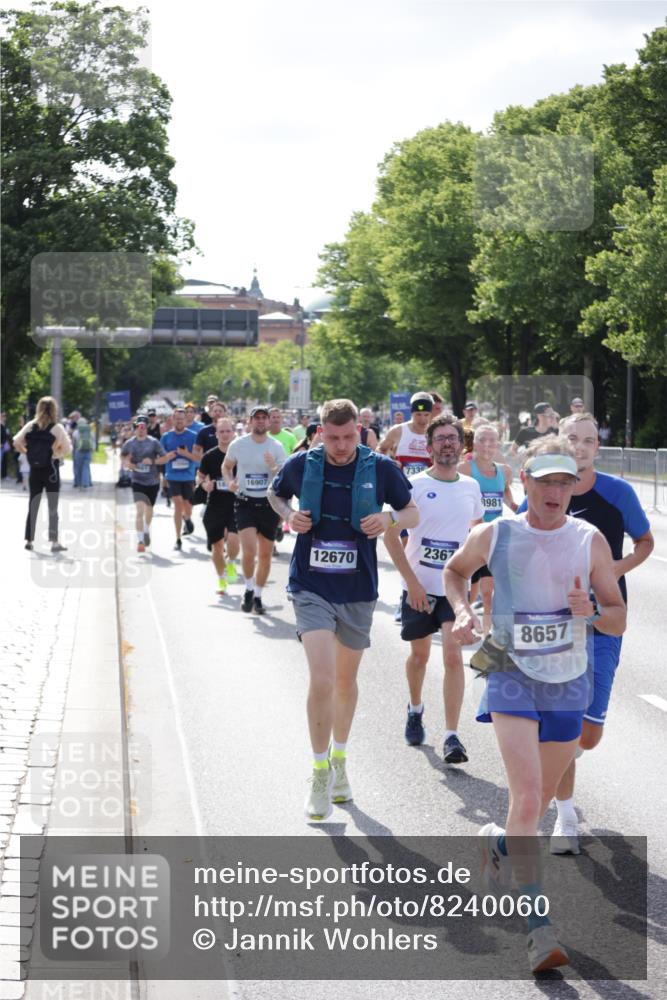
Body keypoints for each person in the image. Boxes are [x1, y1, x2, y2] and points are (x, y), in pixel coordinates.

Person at [445, 437, 626, 973]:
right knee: (526, 799)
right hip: (509, 670)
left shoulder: (589, 540)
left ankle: (497, 843)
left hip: (569, 679)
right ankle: (539, 930)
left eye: (565, 483)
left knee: (537, 804)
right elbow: (455, 572)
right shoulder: (497, 533)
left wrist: (592, 611)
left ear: (574, 487)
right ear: (524, 481)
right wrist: (462, 612)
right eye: (546, 481)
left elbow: (617, 617)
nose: (555, 492)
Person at [268, 398, 419, 821]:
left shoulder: (380, 468)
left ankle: (339, 760)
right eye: (332, 437)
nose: (340, 445)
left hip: (357, 587)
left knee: (345, 682)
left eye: (348, 437)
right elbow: (275, 494)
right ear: (320, 433)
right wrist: (289, 515)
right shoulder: (303, 464)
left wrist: (389, 520)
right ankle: (319, 773)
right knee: (322, 679)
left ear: (360, 432)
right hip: (310, 584)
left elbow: (412, 511)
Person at [518, 414, 652, 855]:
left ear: (597, 447)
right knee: (564, 724)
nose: (580, 446)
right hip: (553, 625)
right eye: (572, 438)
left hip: (602, 619)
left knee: (587, 736)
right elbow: (514, 543)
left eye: (588, 441)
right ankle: (566, 815)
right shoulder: (543, 488)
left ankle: (564, 757)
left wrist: (611, 569)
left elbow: (645, 542)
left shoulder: (617, 493)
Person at [383, 415, 482, 762]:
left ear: (462, 445)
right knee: (420, 656)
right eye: (440, 439)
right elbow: (390, 535)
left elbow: (476, 535)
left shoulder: (471, 487)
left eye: (452, 438)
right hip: (419, 587)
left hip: (454, 589)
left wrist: (474, 585)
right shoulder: (413, 486)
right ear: (429, 448)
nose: (447, 444)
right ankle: (415, 708)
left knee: (453, 657)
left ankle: (452, 736)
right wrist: (411, 584)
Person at [222, 405, 286, 614]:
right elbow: (226, 466)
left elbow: (283, 476)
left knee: (265, 556)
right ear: (250, 421)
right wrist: (229, 482)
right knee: (249, 551)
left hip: (268, 504)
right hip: (245, 503)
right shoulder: (238, 444)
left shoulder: (276, 446)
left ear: (268, 421)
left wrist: (273, 466)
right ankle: (248, 588)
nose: (260, 421)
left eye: (263, 418)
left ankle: (258, 595)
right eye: (256, 418)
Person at [458, 424, 517, 633]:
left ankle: (487, 630)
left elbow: (505, 493)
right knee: (471, 586)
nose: (487, 445)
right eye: (482, 440)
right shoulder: (464, 469)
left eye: (492, 441)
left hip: (494, 536)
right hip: (470, 536)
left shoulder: (504, 471)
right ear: (474, 443)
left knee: (489, 589)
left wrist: (515, 507)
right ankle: (462, 618)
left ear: (498, 445)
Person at [14, 396, 71, 552]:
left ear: (38, 408)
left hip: (35, 470)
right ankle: (54, 542)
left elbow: (16, 441)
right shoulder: (57, 428)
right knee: (52, 506)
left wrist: (27, 452)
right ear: (54, 410)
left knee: (33, 504)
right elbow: (67, 449)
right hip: (51, 470)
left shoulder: (31, 426)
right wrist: (55, 452)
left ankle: (29, 540)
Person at [197, 417, 240, 593]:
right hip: (215, 505)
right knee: (216, 546)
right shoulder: (209, 456)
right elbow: (199, 476)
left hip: (237, 504)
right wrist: (204, 484)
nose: (225, 434)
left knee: (234, 542)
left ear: (234, 433)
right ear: (216, 434)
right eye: (221, 431)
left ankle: (231, 562)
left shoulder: (240, 455)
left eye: (228, 431)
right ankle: (222, 579)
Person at [121, 415, 168, 552]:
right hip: (137, 480)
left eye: (143, 427)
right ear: (135, 428)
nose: (141, 430)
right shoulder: (129, 443)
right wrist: (128, 464)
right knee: (139, 510)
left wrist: (152, 461)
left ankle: (146, 529)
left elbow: (165, 458)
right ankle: (140, 540)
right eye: (138, 427)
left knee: (149, 509)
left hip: (153, 481)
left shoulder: (154, 442)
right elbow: (123, 457)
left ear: (146, 428)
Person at [161, 407, 198, 550]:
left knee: (187, 506)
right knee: (178, 505)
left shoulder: (193, 436)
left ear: (185, 420)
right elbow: (160, 458)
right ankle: (178, 539)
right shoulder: (166, 437)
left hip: (188, 476)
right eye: (177, 419)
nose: (179, 421)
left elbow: (198, 458)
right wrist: (167, 457)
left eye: (182, 419)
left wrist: (186, 454)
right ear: (173, 419)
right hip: (172, 476)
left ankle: (187, 518)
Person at [379, 392, 434, 475]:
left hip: (428, 482)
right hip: (402, 481)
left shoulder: (435, 432)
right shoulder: (398, 430)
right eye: (418, 414)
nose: (422, 419)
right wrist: (389, 463)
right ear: (412, 413)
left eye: (426, 415)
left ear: (431, 414)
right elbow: (380, 449)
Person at [72, 416, 93, 489]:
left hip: (78, 451)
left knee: (78, 468)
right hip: (88, 451)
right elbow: (92, 441)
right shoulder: (90, 431)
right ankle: (86, 482)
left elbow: (74, 443)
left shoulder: (76, 432)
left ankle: (78, 483)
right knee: (86, 467)